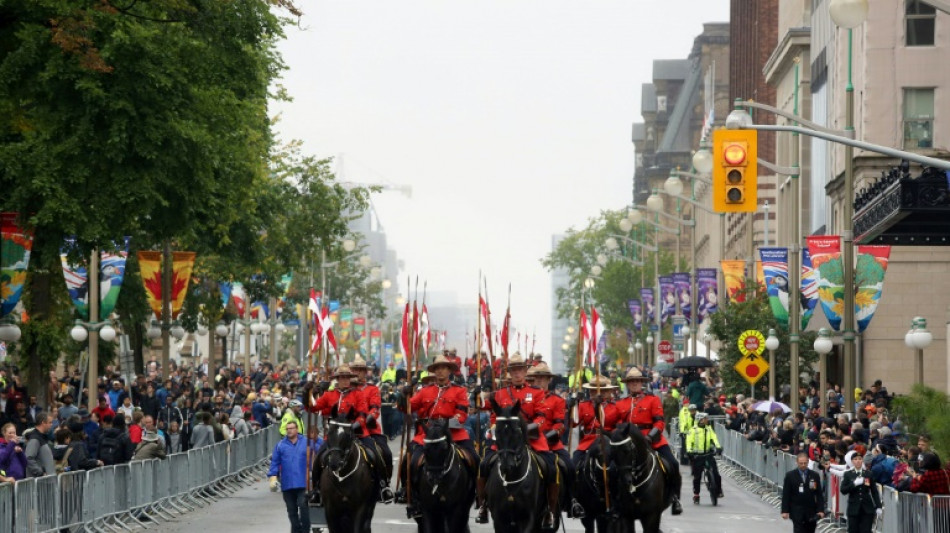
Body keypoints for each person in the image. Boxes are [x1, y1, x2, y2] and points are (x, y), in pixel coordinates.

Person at [477, 353, 558, 529]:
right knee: (484, 464)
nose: (517, 374)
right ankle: (483, 505)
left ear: (525, 371)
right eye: (514, 370)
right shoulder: (500, 394)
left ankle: (550, 510)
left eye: (520, 370)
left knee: (551, 467)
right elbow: (493, 415)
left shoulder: (536, 393)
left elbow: (542, 416)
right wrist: (493, 427)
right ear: (510, 373)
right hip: (505, 440)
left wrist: (529, 429)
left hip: (531, 438)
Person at [398, 354, 476, 517]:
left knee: (474, 459)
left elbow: (461, 415)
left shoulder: (459, 391)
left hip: (453, 434)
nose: (440, 371)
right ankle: (410, 494)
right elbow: (407, 408)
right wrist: (403, 394)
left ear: (449, 371)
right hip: (427, 435)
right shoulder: (425, 391)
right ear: (434, 372)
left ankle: (475, 494)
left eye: (444, 368)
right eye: (437, 368)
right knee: (410, 460)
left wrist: (445, 426)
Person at [615, 367, 683, 515]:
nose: (634, 384)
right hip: (628, 443)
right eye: (631, 381)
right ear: (627, 384)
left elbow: (659, 422)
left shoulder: (652, 400)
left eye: (637, 381)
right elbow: (617, 425)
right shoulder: (621, 404)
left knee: (673, 464)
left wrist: (650, 437)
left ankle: (675, 498)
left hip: (652, 440)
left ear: (642, 383)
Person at [529, 363, 584, 517]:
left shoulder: (557, 400)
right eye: (536, 378)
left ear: (548, 380)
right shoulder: (527, 397)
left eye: (543, 378)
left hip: (550, 442)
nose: (539, 381)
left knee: (570, 467)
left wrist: (548, 437)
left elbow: (560, 424)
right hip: (528, 441)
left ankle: (573, 501)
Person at [267, 420, 311, 533]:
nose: (289, 431)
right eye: (287, 429)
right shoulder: (280, 445)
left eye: (291, 428)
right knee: (291, 511)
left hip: (303, 483)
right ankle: (296, 530)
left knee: (303, 506)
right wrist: (272, 477)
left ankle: (305, 530)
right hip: (287, 484)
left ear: (297, 429)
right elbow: (275, 462)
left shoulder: (306, 442)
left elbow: (316, 454)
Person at [781, 453, 825, 533]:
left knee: (810, 530)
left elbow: (819, 494)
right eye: (801, 463)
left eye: (805, 463)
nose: (803, 465)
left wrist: (820, 510)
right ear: (797, 462)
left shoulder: (814, 475)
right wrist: (785, 510)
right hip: (796, 510)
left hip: (811, 510)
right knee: (799, 530)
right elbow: (786, 494)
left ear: (808, 462)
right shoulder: (790, 475)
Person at [685, 412, 723, 504]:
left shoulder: (708, 429)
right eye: (705, 418)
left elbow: (714, 438)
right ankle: (696, 494)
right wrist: (689, 451)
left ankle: (718, 491)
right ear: (701, 420)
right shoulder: (693, 430)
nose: (707, 420)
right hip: (697, 456)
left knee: (716, 474)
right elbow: (689, 441)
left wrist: (718, 447)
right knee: (697, 477)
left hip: (708, 454)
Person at [840, 452, 882, 533]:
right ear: (852, 461)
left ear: (862, 460)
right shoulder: (848, 474)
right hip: (853, 508)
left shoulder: (868, 474)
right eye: (855, 459)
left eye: (859, 459)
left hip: (867, 508)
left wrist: (878, 506)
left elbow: (874, 491)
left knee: (866, 530)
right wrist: (854, 484)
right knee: (853, 530)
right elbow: (843, 490)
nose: (858, 461)